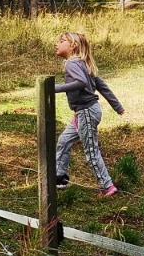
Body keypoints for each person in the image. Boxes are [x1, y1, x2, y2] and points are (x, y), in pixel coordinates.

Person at [53, 31, 125, 197]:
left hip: (86, 112)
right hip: (84, 112)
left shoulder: (72, 64)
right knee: (64, 141)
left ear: (73, 46)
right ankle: (60, 177)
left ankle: (107, 187)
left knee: (91, 151)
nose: (57, 44)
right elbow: (101, 85)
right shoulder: (83, 63)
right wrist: (118, 107)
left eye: (62, 41)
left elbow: (82, 83)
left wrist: (55, 88)